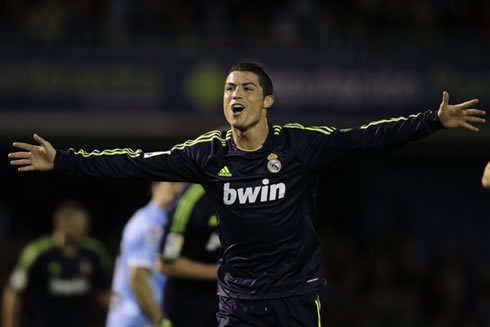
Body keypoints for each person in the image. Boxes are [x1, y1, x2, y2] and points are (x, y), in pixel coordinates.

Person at [8, 62, 486, 326]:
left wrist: (432, 122)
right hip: (239, 302)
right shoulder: (206, 154)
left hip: (298, 295)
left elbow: (367, 137)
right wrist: (64, 159)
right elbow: (134, 162)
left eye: (247, 87)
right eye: (229, 87)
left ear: (267, 101)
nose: (235, 93)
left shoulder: (300, 144)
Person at [2, 201, 112, 327]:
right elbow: (13, 293)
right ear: (60, 224)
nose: (85, 229)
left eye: (85, 224)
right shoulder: (37, 252)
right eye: (79, 225)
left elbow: (105, 293)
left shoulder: (94, 252)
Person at [105, 182, 184, 327]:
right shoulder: (148, 223)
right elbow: (138, 277)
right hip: (135, 320)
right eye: (172, 183)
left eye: (181, 183)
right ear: (156, 187)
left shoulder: (169, 221)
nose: (178, 188)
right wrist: (160, 321)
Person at [157, 183, 219, 327]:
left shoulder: (253, 187)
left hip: (230, 310)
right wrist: (219, 272)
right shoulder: (190, 199)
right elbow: (166, 262)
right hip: (189, 312)